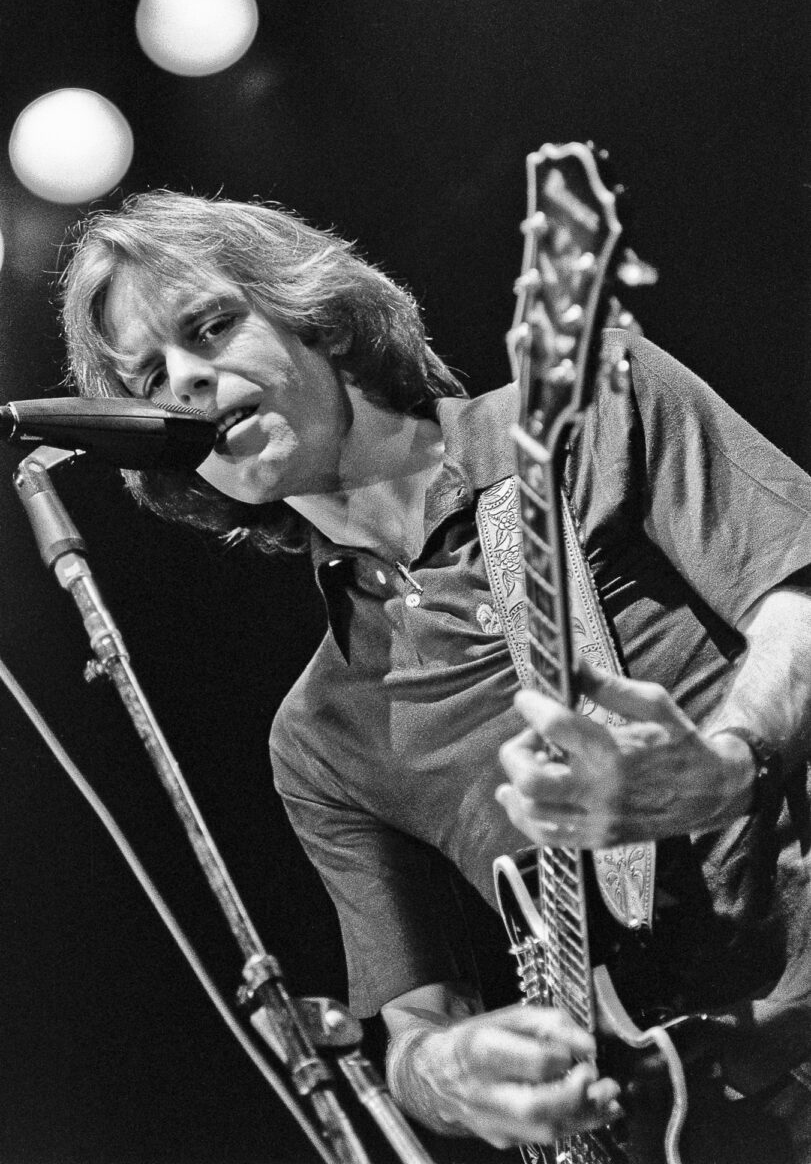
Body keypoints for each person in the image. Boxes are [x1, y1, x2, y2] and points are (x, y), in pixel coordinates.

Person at [59, 190, 811, 1161]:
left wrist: (726, 762)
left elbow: (797, 595)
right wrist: (455, 1072)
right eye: (150, 376)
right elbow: (411, 1031)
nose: (188, 382)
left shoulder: (592, 409)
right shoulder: (321, 733)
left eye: (210, 325)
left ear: (313, 311)